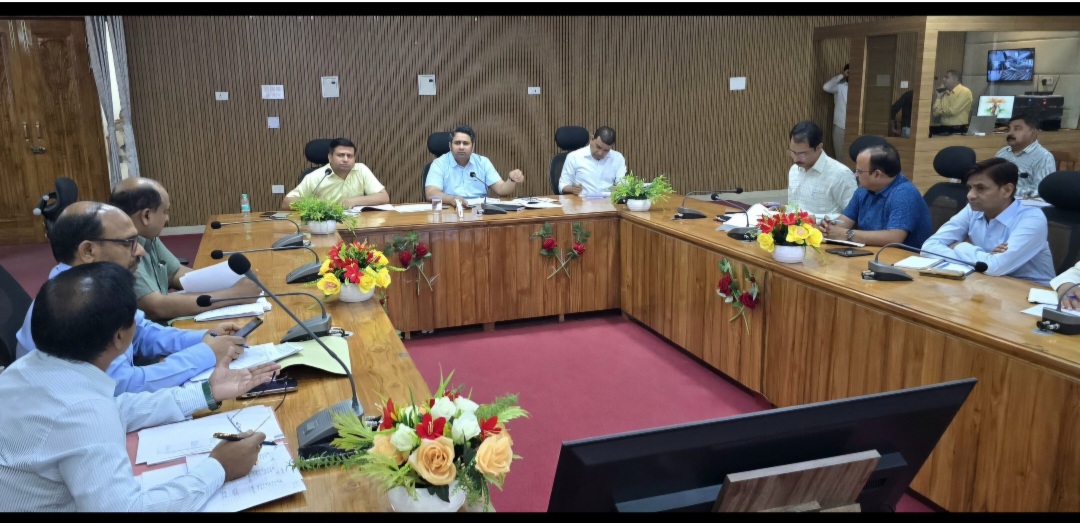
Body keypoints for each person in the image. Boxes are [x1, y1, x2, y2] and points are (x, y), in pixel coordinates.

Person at [0, 262, 279, 511]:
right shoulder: (84, 413)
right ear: (121, 338)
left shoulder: (26, 370)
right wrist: (219, 467)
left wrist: (206, 392)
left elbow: (118, 408)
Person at [15, 201, 246, 394]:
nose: (140, 251)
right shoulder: (76, 304)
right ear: (88, 251)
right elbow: (125, 385)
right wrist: (206, 353)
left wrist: (204, 338)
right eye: (128, 243)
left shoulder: (95, 286)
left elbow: (141, 332)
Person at [110, 178, 261, 322]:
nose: (167, 218)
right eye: (165, 211)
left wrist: (227, 281)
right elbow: (156, 307)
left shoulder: (148, 237)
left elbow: (175, 273)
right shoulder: (122, 250)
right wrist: (234, 294)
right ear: (146, 215)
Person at [921, 158, 1055, 285]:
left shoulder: (1032, 218)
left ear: (1007, 190)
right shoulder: (973, 210)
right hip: (985, 282)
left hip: (1028, 291)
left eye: (980, 188)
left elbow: (994, 267)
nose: (970, 196)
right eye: (970, 188)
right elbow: (928, 248)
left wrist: (958, 246)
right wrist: (986, 257)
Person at [818, 143, 934, 248]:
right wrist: (829, 227)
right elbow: (845, 221)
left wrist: (847, 234)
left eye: (859, 171)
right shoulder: (863, 189)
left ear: (877, 174)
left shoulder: (904, 193)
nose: (855, 175)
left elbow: (894, 238)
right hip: (870, 253)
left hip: (902, 258)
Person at [424, 125, 525, 206]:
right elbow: (431, 193)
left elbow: (502, 190)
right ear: (450, 146)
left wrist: (512, 180)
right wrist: (451, 199)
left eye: (465, 143)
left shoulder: (483, 162)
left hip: (479, 212)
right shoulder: (439, 164)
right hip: (451, 210)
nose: (461, 147)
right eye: (457, 143)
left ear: (473, 147)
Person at [281, 138, 389, 210]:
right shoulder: (316, 176)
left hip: (356, 224)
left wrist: (354, 201)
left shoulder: (361, 169)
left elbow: (384, 197)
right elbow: (286, 202)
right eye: (341, 155)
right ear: (330, 157)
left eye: (350, 156)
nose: (346, 159)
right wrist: (317, 203)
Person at [785, 120, 857, 217]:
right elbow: (795, 207)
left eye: (803, 154)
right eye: (793, 152)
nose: (795, 159)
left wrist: (817, 220)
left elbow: (853, 216)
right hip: (796, 226)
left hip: (824, 227)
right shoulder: (794, 169)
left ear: (819, 147)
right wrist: (782, 209)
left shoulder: (840, 174)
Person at [994, 114, 1058, 199]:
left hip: (1025, 203)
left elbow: (1041, 189)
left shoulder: (1043, 157)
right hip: (999, 200)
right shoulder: (1002, 152)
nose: (1010, 133)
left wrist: (1008, 191)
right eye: (1008, 129)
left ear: (1034, 133)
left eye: (1017, 129)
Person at [558, 126, 627, 195]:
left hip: (607, 200)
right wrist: (572, 189)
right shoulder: (573, 157)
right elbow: (562, 185)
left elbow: (622, 184)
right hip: (581, 200)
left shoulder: (618, 158)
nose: (601, 153)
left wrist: (619, 189)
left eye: (606, 150)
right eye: (598, 147)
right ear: (592, 139)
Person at [823, 64, 849, 158]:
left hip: (854, 126)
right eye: (849, 72)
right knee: (839, 154)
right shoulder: (840, 87)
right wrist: (842, 75)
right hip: (840, 125)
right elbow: (826, 87)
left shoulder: (860, 89)